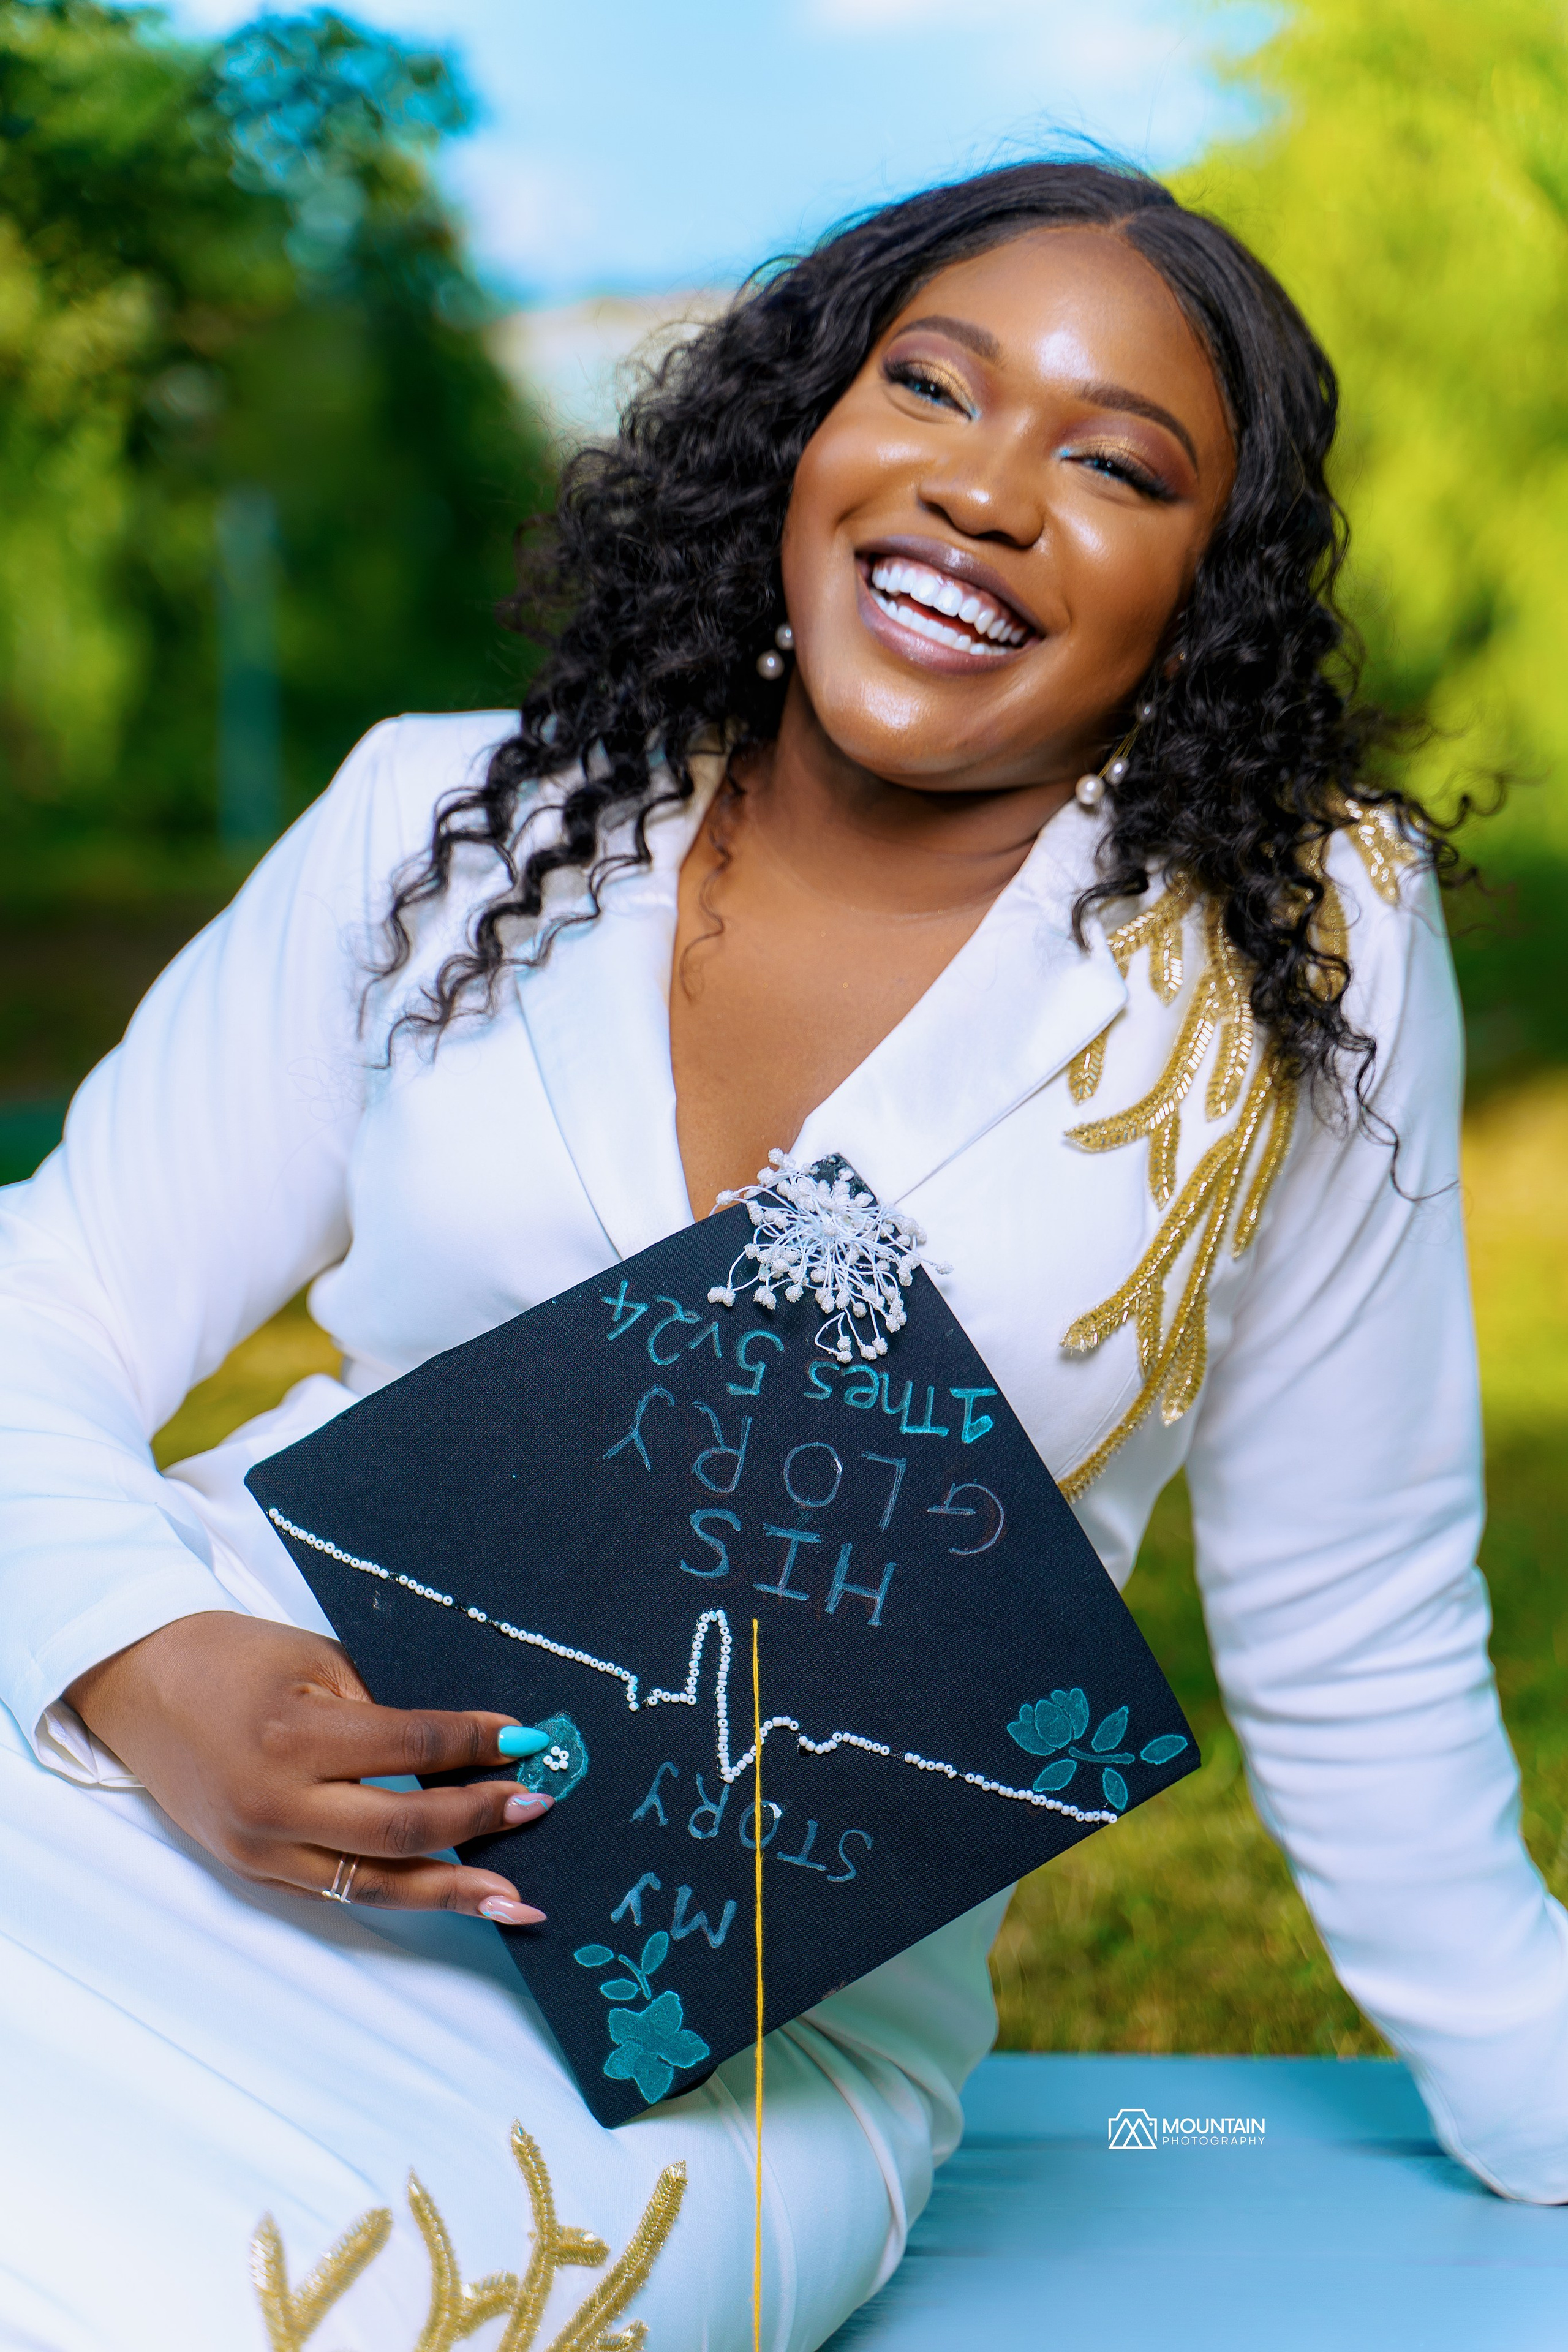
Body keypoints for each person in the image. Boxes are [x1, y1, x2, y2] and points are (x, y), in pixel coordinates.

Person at [0, 157, 1561, 2352]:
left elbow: (1354, 1605)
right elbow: (39, 1305)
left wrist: (1539, 2093)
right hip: (131, 1791)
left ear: (1200, 591)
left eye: (1116, 464)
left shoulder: (1294, 942)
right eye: (931, 386)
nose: (990, 490)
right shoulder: (439, 822)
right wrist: (144, 1666)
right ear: (802, 436)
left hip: (720, 2020)